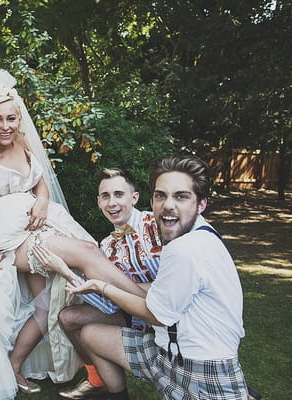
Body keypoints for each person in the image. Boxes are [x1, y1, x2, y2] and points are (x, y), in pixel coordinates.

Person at [0, 69, 147, 399]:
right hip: (8, 233)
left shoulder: (22, 144)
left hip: (35, 220)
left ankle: (16, 364)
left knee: (48, 303)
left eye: (11, 118)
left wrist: (43, 200)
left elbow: (40, 182)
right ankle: (145, 306)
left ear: (19, 119)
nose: (5, 125)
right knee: (86, 253)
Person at [35, 154, 250, 400]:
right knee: (76, 322)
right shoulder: (108, 246)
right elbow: (115, 304)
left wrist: (107, 284)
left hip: (192, 354)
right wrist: (67, 271)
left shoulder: (168, 232)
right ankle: (107, 389)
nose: (168, 205)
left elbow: (158, 310)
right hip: (160, 337)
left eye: (181, 196)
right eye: (161, 195)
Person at [56, 168, 162, 399]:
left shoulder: (157, 226)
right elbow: (109, 304)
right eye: (105, 196)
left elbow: (173, 282)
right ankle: (100, 383)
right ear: (98, 202)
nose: (112, 202)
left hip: (166, 313)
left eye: (118, 194)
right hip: (132, 313)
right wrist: (66, 272)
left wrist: (136, 292)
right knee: (68, 317)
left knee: (90, 328)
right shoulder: (106, 246)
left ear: (134, 198)